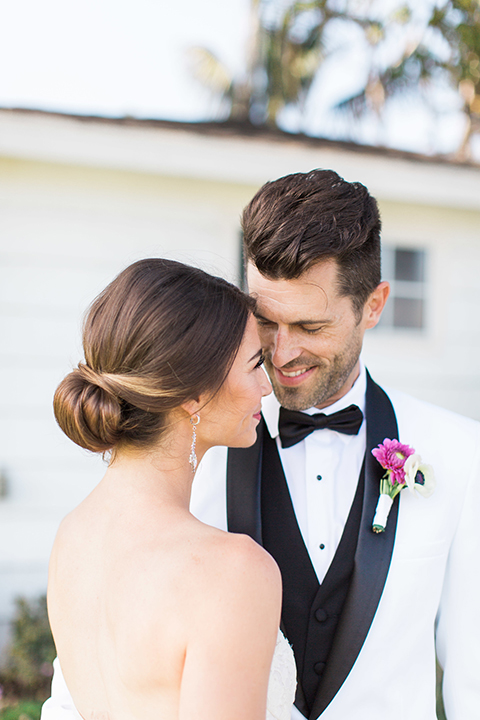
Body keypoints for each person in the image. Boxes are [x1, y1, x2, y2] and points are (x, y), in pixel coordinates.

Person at [43, 169, 480, 720]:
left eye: (311, 326)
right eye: (266, 323)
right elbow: (85, 672)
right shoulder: (185, 435)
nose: (280, 354)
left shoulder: (460, 453)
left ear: (373, 305)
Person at [45, 258, 296, 720]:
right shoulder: (232, 571)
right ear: (191, 395)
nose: (266, 385)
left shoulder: (70, 537)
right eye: (254, 363)